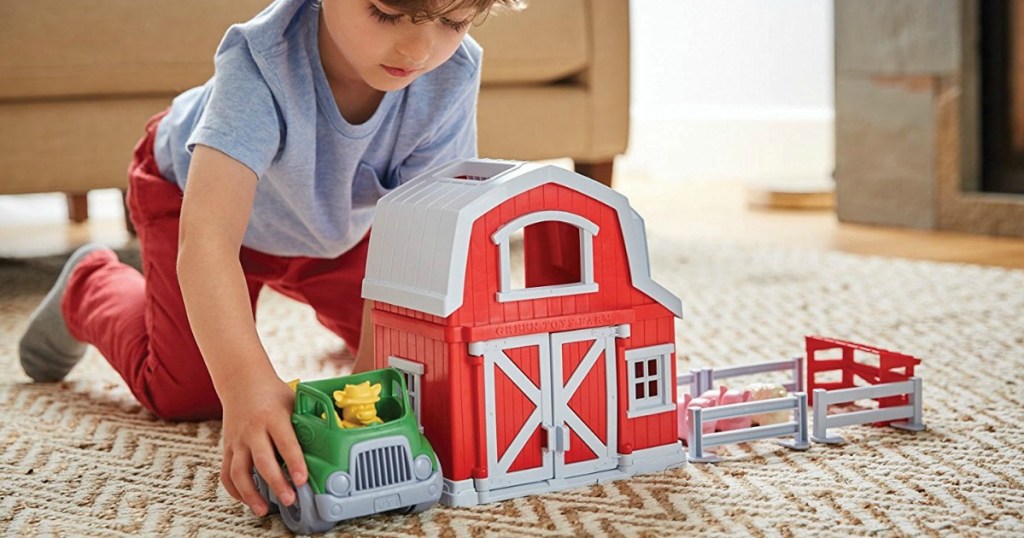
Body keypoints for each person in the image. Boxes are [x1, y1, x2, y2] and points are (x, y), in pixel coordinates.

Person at [18, 0, 522, 517]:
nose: (418, 49)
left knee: (410, 360)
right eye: (386, 13)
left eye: (453, 22)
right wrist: (245, 385)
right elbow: (207, 240)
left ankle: (320, 300)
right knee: (187, 391)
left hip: (333, 231)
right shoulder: (260, 61)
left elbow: (414, 242)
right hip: (198, 206)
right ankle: (89, 284)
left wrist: (365, 393)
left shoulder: (451, 73)